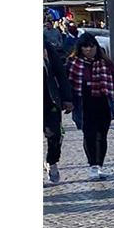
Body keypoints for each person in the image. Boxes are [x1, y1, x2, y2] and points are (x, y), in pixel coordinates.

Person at [65, 33, 114, 179]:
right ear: (80, 48)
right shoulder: (72, 63)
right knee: (89, 135)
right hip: (83, 104)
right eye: (85, 47)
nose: (89, 49)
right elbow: (66, 85)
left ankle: (100, 165)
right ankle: (92, 165)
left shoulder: (106, 63)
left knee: (102, 136)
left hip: (103, 103)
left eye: (91, 46)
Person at [44, 36, 74, 184]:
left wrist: (67, 98)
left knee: (55, 134)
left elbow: (60, 73)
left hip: (49, 101)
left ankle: (52, 161)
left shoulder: (46, 47)